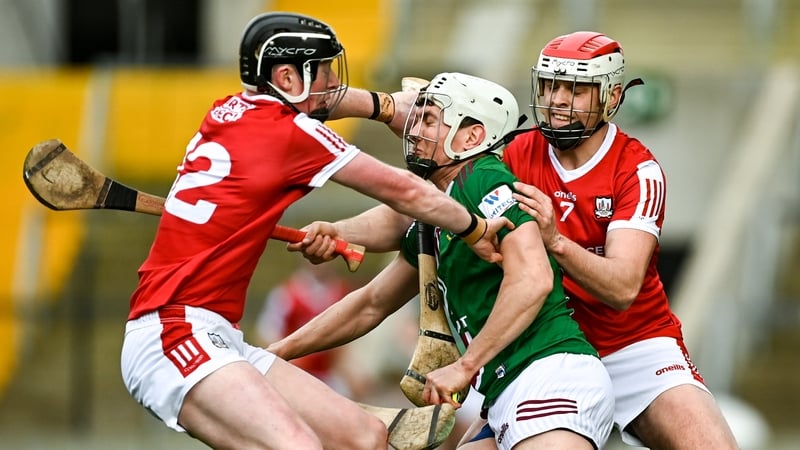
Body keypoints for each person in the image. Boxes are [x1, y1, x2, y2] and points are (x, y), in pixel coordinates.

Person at [290, 31, 740, 450]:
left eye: (574, 89)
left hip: (631, 346)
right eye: (549, 87)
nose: (558, 101)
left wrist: (556, 242)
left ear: (612, 97)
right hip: (537, 349)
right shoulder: (511, 153)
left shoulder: (635, 171)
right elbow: (419, 203)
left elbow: (622, 288)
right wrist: (342, 225)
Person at [119, 12, 513, 450]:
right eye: (323, 70)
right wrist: (475, 228)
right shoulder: (290, 133)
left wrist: (383, 107)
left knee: (365, 437)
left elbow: (322, 113)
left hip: (218, 334)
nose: (332, 83)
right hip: (175, 332)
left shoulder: (229, 112)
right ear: (287, 76)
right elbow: (404, 192)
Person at [269, 72, 615, 450]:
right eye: (416, 118)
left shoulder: (481, 180)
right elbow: (370, 305)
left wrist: (465, 367)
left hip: (550, 378)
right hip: (505, 393)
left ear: (472, 138)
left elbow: (533, 279)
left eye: (430, 119)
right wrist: (273, 355)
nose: (414, 131)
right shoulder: (439, 215)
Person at [254, 262, 371, 400]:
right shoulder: (287, 294)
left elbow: (346, 340)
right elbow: (266, 334)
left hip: (328, 375)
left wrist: (351, 371)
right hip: (296, 374)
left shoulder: (341, 291)